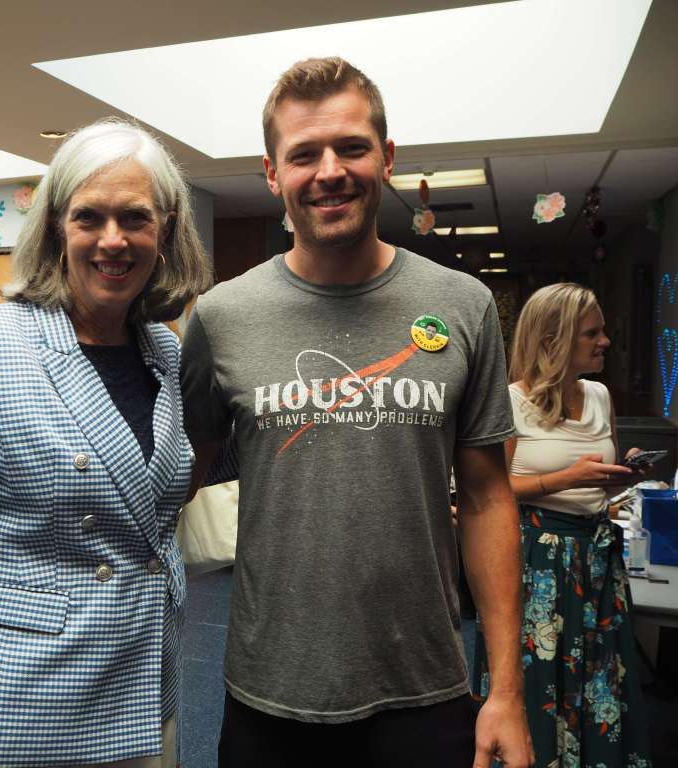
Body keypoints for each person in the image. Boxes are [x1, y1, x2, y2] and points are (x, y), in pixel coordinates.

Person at [180, 57, 533, 768]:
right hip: (269, 690)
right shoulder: (220, 317)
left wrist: (506, 691)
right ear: (273, 174)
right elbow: (177, 477)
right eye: (303, 154)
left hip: (425, 688)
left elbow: (488, 499)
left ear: (387, 157)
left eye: (352, 147)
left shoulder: (463, 305)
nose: (330, 171)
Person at [0, 119, 212, 768]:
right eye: (89, 216)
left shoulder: (164, 348)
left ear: (167, 230)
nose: (112, 240)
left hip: (149, 685)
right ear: (55, 228)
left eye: (135, 217)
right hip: (33, 702)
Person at [472, 283, 654, 768]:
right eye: (592, 333)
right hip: (537, 560)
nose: (605, 342)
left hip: (596, 558)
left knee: (601, 678)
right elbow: (488, 491)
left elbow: (595, 487)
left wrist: (622, 475)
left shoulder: (599, 395)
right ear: (554, 341)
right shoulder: (510, 401)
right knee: (537, 680)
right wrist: (566, 478)